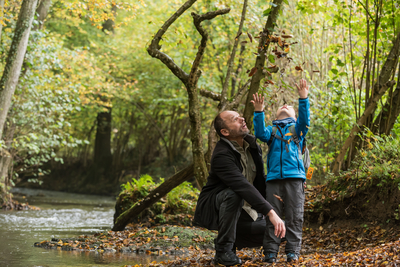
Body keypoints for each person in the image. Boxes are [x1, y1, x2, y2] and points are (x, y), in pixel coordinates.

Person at [194, 110, 286, 266]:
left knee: (284, 230)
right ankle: (223, 250)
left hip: (246, 211)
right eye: (235, 119)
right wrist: (270, 212)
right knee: (234, 194)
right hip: (219, 206)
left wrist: (282, 190)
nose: (242, 119)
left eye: (240, 116)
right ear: (225, 132)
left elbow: (259, 182)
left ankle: (233, 237)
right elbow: (241, 185)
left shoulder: (252, 146)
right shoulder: (221, 155)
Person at [251, 78, 310, 263]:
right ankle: (270, 251)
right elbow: (260, 134)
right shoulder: (272, 131)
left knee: (295, 216)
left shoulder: (297, 129)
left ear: (294, 116)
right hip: (274, 179)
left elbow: (305, 120)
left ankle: (292, 252)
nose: (285, 105)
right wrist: (259, 111)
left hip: (295, 179)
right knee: (272, 216)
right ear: (275, 117)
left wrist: (303, 98)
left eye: (289, 106)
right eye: (282, 106)